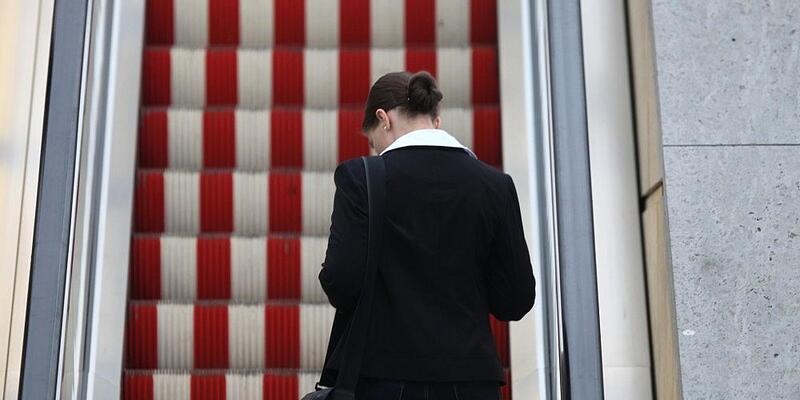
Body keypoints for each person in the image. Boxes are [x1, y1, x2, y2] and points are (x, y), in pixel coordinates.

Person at [318, 70, 536, 400]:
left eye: (372, 140)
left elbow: (341, 280)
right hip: (472, 382)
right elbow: (516, 299)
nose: (374, 150)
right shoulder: (495, 186)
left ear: (383, 119)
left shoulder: (362, 179)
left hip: (384, 379)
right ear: (436, 119)